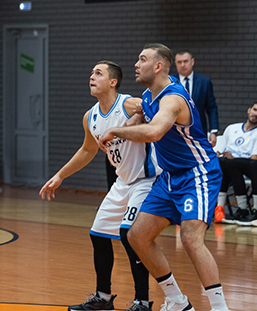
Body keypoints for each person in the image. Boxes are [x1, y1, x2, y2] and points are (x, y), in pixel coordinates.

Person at [98, 44, 230, 311]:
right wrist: (121, 128)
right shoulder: (148, 95)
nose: (136, 64)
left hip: (197, 173)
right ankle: (178, 301)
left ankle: (220, 308)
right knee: (137, 236)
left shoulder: (173, 99)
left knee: (190, 238)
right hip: (169, 177)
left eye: (142, 59)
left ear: (158, 66)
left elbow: (154, 132)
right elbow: (137, 120)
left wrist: (116, 131)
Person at [40, 61, 156, 311]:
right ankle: (103, 298)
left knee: (130, 236)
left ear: (113, 82)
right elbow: (87, 150)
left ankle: (142, 302)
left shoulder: (128, 104)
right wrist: (60, 176)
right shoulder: (90, 116)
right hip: (122, 181)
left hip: (146, 179)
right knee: (99, 233)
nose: (91, 76)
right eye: (91, 73)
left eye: (98, 73)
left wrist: (137, 115)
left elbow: (156, 108)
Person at [215, 102, 257, 224]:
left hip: (249, 167)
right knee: (222, 163)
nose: (256, 114)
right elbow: (219, 152)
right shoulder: (231, 128)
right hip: (228, 164)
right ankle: (219, 209)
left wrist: (235, 159)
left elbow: (254, 159)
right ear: (249, 110)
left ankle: (245, 209)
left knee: (232, 164)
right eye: (255, 110)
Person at [174, 50, 219, 146]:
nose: (182, 65)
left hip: (199, 131)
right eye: (179, 62)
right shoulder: (170, 82)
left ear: (192, 62)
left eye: (185, 61)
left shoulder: (204, 82)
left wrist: (213, 131)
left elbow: (211, 108)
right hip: (175, 132)